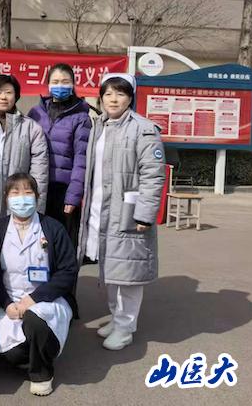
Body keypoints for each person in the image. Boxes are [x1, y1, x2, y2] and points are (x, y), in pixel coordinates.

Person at [77, 73, 165, 351]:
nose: (113, 99)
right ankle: (117, 319)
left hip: (127, 212)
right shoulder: (99, 126)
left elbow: (153, 175)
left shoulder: (144, 129)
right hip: (101, 210)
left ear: (130, 98)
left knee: (128, 274)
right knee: (111, 269)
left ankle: (126, 328)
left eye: (121, 93)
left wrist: (144, 214)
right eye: (108, 94)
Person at [0, 173, 78, 397]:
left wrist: (33, 299)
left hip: (46, 300)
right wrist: (6, 303)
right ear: (6, 198)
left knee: (35, 320)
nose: (22, 198)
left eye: (28, 192)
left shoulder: (53, 228)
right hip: (10, 302)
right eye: (15, 193)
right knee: (10, 356)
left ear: (37, 197)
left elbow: (68, 271)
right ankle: (38, 351)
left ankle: (42, 373)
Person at [0, 74, 48, 223]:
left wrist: (36, 211)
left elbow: (40, 174)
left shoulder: (31, 128)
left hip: (20, 204)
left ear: (16, 96)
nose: (3, 97)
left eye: (8, 92)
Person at [28, 63, 92, 246]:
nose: (60, 86)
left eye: (65, 82)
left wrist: (73, 196)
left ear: (73, 84)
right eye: (55, 82)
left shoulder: (81, 117)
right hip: (38, 185)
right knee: (39, 241)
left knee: (63, 242)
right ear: (48, 84)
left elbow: (81, 159)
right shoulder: (36, 113)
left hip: (64, 190)